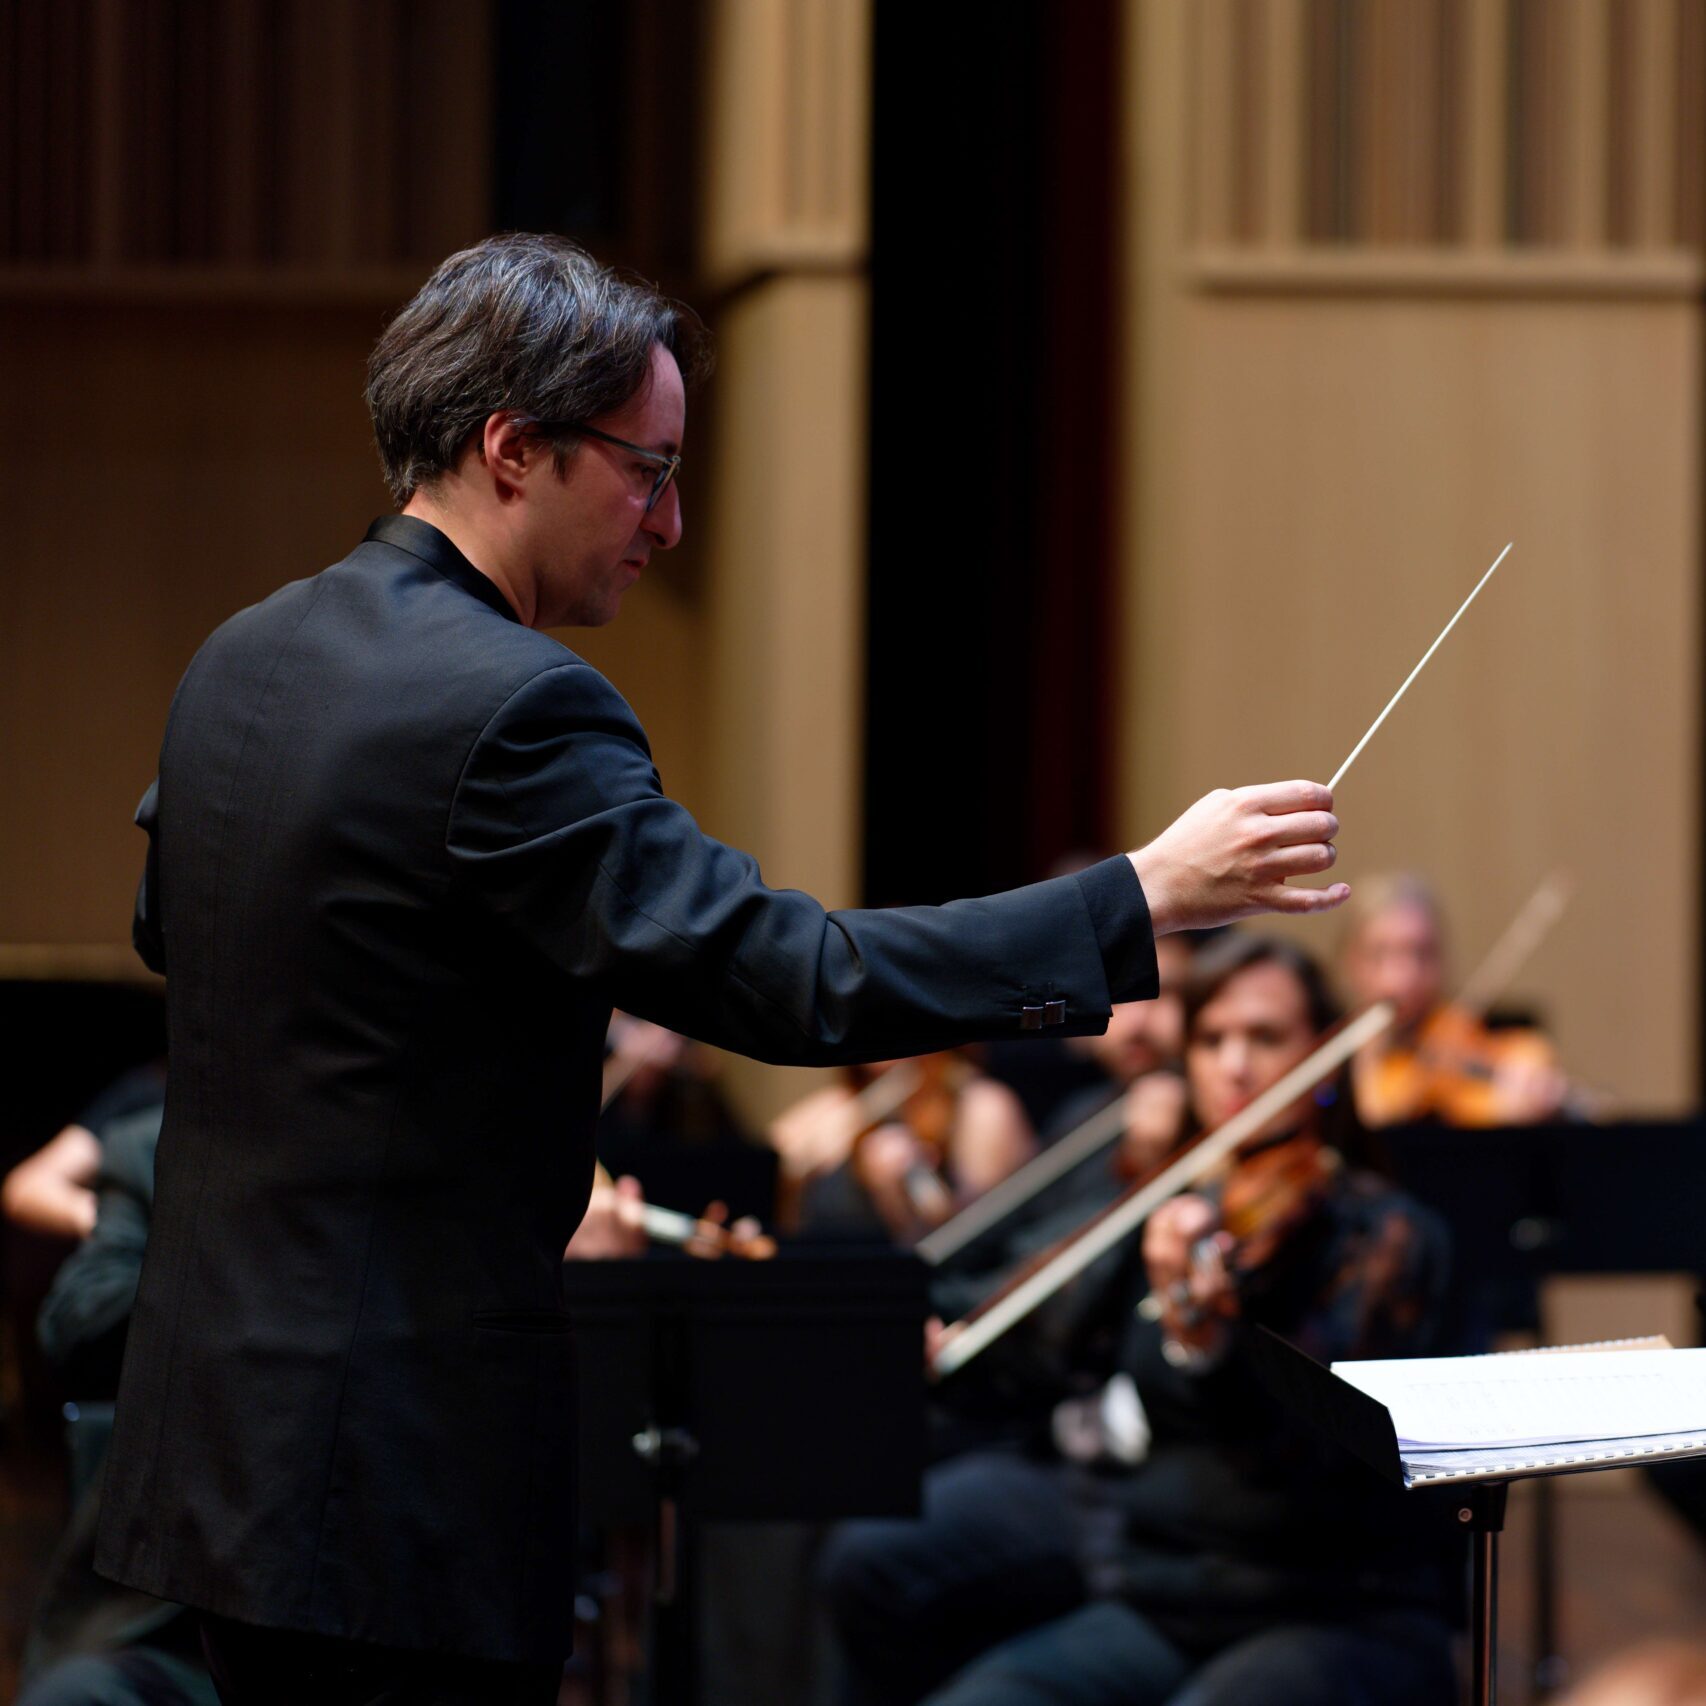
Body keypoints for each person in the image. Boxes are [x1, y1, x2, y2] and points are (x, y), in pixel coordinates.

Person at [94, 233, 1351, 1702]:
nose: (672, 519)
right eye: (647, 467)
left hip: (216, 1443)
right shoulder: (516, 706)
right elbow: (789, 977)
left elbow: (179, 932)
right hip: (388, 1467)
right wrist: (1135, 896)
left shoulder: (241, 655)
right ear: (514, 449)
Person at [821, 934, 1457, 1706]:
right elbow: (1044, 1328)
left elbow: (1321, 1456)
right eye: (1210, 1040)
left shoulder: (1383, 1235)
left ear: (1323, 1052)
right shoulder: (1180, 1203)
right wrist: (943, 1340)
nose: (1233, 1066)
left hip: (1322, 1604)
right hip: (1167, 1596)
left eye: (1265, 1037)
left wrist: (1210, 1346)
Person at [1337, 872, 1568, 1128]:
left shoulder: (1463, 1036)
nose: (1404, 978)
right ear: (1350, 962)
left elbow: (1529, 1056)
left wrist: (1520, 1108)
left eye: (1422, 953)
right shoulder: (1327, 1062)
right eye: (1380, 954)